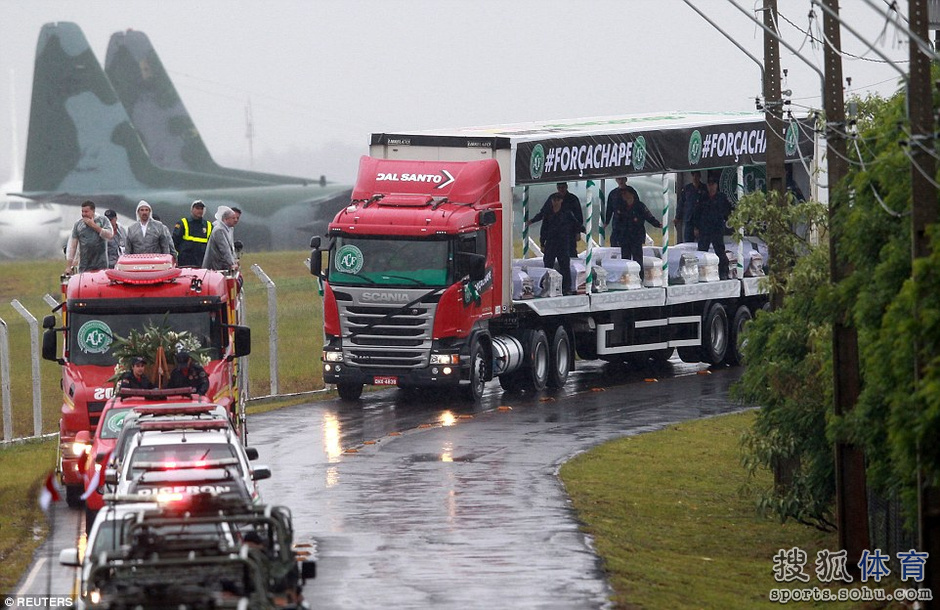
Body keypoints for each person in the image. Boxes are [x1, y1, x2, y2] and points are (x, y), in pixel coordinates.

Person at [526, 192, 580, 295]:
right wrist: (542, 243)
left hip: (563, 243)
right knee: (548, 265)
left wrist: (581, 231)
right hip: (551, 242)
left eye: (557, 200)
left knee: (564, 266)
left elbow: (575, 223)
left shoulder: (567, 213)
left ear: (561, 201)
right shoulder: (548, 213)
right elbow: (544, 229)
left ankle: (566, 288)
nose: (555, 202)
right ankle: (548, 287)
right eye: (554, 200)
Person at [692, 175, 733, 280]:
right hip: (704, 228)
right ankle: (700, 273)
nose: (711, 187)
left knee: (720, 251)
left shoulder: (721, 197)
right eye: (709, 185)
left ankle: (723, 272)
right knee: (702, 251)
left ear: (716, 185)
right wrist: (696, 227)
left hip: (717, 228)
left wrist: (729, 220)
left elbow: (728, 211)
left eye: (713, 185)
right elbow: (696, 213)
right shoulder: (702, 197)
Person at [609, 186, 662, 265]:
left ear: (632, 194)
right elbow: (617, 222)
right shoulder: (621, 207)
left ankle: (640, 276)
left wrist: (658, 224)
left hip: (636, 237)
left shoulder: (639, 206)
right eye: (622, 194)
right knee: (625, 260)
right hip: (624, 237)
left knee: (638, 259)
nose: (624, 196)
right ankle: (627, 276)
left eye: (625, 193)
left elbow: (648, 216)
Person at [65, 200, 113, 273]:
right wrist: (69, 266)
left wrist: (93, 226)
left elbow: (109, 235)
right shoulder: (78, 225)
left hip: (101, 264)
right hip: (84, 265)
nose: (84, 214)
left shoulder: (102, 220)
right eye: (82, 211)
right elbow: (73, 246)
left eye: (86, 212)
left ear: (93, 211)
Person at [542, 182, 583, 256]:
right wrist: (532, 221)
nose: (561, 189)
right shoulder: (552, 197)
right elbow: (544, 213)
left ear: (566, 187)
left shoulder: (573, 199)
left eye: (563, 187)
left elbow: (578, 216)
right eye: (559, 187)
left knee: (570, 254)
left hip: (569, 233)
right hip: (553, 234)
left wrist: (578, 232)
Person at [172, 200, 212, 267]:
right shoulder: (183, 223)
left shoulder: (209, 225)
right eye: (197, 208)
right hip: (185, 261)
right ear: (192, 209)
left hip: (202, 262)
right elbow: (174, 242)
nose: (199, 211)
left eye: (201, 209)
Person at [202, 205, 240, 271]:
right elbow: (225, 249)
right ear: (226, 219)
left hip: (222, 265)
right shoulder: (219, 230)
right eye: (233, 218)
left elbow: (231, 247)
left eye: (237, 218)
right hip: (215, 267)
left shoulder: (229, 229)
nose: (235, 220)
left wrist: (234, 259)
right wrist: (232, 263)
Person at [676, 171, 707, 243]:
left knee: (703, 242)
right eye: (693, 176)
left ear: (699, 177)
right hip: (689, 219)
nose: (695, 178)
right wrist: (677, 217)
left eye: (697, 176)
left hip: (701, 220)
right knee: (688, 241)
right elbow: (681, 203)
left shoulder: (704, 188)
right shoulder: (687, 189)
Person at [604, 177, 629, 247]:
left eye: (622, 179)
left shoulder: (631, 191)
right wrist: (607, 222)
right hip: (617, 222)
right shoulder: (613, 193)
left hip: (628, 222)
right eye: (618, 179)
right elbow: (609, 209)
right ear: (616, 180)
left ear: (625, 179)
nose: (620, 181)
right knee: (614, 241)